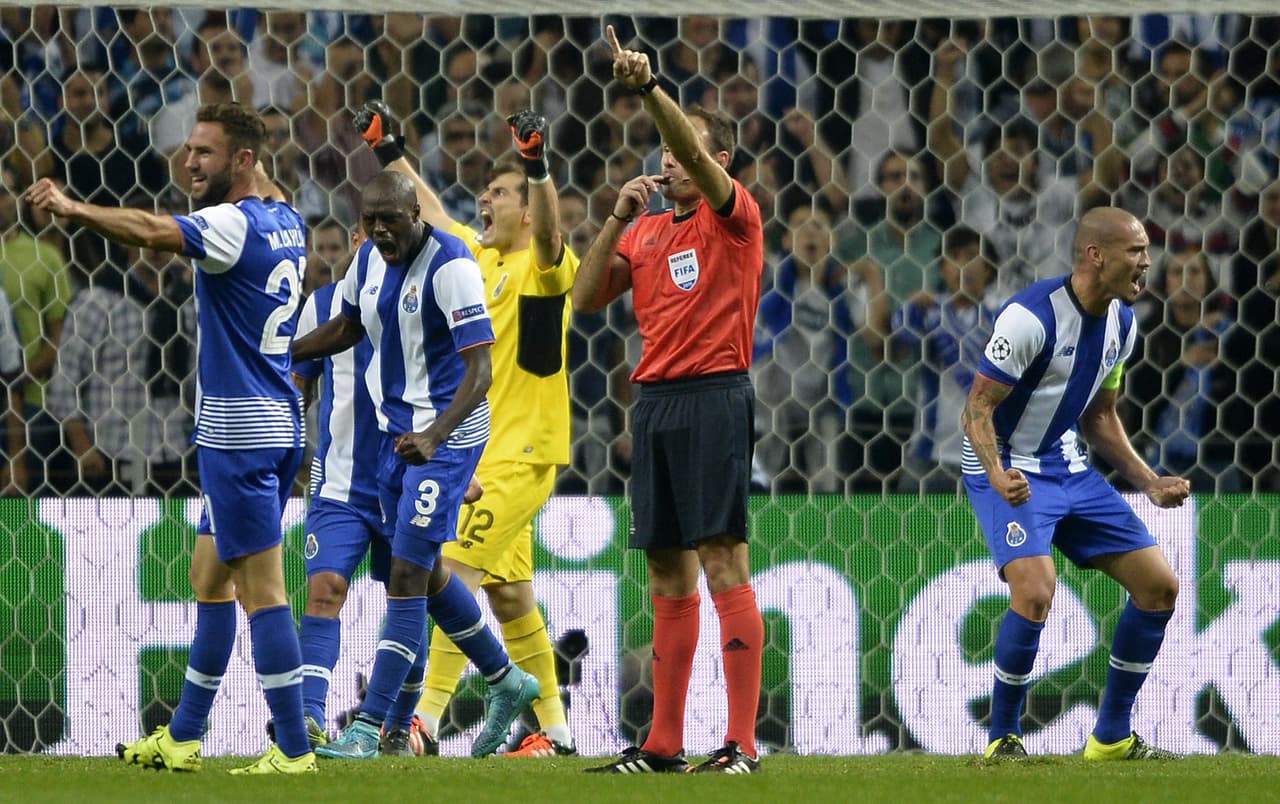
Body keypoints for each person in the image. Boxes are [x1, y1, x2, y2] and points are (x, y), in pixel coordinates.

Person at [28, 102, 316, 774]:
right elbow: (256, 180)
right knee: (209, 581)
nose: (189, 163)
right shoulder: (287, 220)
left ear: (243, 161)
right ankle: (184, 738)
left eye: (205, 153)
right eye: (189, 150)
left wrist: (73, 208)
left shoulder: (231, 225)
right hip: (272, 421)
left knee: (264, 593)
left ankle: (294, 749)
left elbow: (154, 231)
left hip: (240, 436)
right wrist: (246, 146)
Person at [355, 99, 579, 757]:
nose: (486, 200)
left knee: (445, 566)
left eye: (501, 193)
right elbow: (430, 209)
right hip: (478, 450)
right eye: (486, 192)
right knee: (510, 597)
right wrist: (388, 149)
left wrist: (537, 165)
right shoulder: (473, 260)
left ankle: (421, 720)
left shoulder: (542, 266)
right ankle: (555, 734)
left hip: (523, 454)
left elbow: (552, 235)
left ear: (528, 211)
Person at [291, 170, 539, 761]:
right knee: (424, 576)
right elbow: (347, 327)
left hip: (446, 435)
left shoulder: (451, 265)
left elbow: (481, 371)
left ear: (415, 215)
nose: (380, 231)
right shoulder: (368, 261)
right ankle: (506, 678)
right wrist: (280, 351)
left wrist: (437, 436)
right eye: (370, 220)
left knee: (405, 575)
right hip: (395, 437)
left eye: (391, 220)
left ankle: (369, 728)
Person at [572, 27, 765, 774]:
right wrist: (617, 216)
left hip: (715, 395)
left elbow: (691, 152)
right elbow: (586, 299)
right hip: (652, 403)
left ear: (720, 161)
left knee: (722, 560)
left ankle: (742, 743)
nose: (670, 161)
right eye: (664, 153)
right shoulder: (648, 230)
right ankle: (662, 744)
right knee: (664, 571)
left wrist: (650, 88)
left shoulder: (734, 217)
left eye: (684, 151)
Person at [961, 206, 1189, 762]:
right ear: (1096, 255)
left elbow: (1101, 416)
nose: (1147, 262)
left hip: (1068, 465)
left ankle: (1110, 737)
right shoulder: (1029, 319)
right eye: (1135, 251)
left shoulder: (1123, 324)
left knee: (1159, 586)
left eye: (1146, 250)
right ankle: (1003, 739)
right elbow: (977, 410)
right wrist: (997, 475)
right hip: (1009, 466)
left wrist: (1149, 481)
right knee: (1036, 591)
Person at [893, 226, 999, 494]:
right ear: (943, 269)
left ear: (988, 268)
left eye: (971, 256)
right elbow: (897, 346)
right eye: (954, 256)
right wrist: (911, 308)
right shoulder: (929, 312)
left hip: (987, 456)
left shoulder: (1002, 315)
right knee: (904, 519)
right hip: (931, 449)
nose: (962, 265)